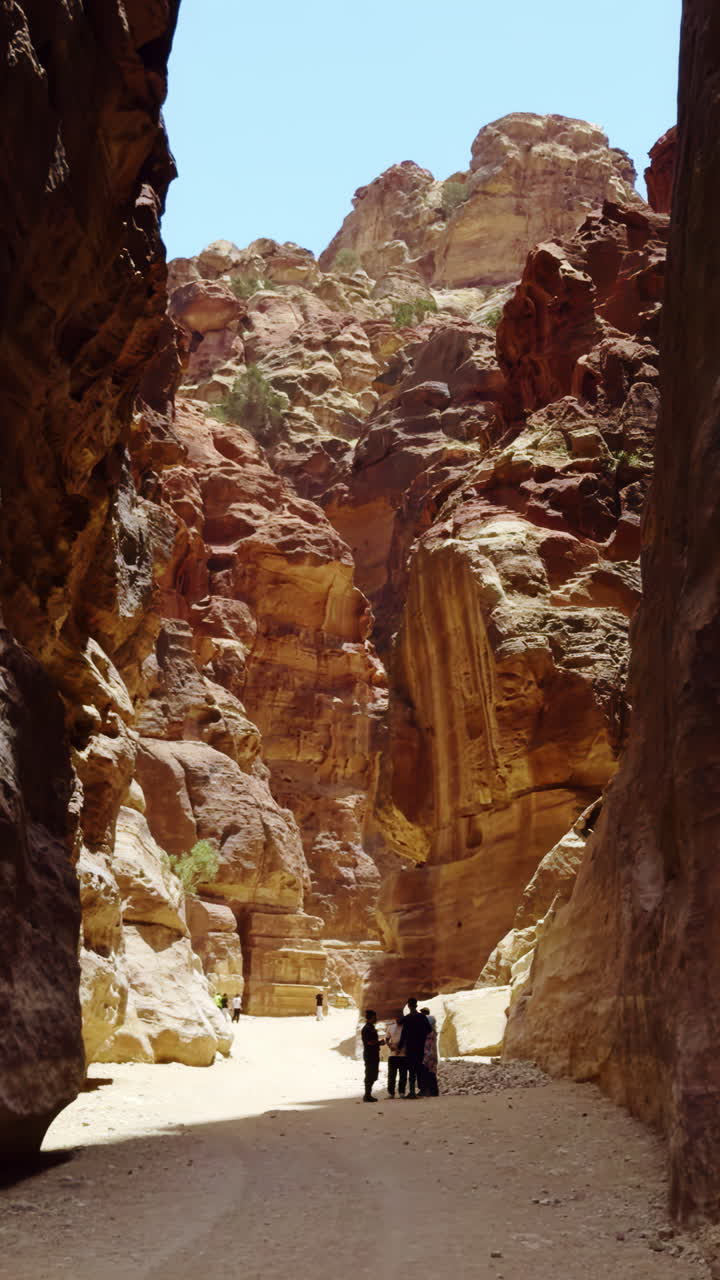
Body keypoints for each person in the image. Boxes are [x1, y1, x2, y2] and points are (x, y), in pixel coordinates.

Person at [398, 997, 430, 1098]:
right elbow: (429, 1029)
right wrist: (421, 1036)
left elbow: (403, 1032)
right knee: (419, 1068)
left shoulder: (407, 1018)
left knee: (411, 1070)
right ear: (416, 1005)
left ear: (408, 1006)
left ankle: (412, 1092)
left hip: (410, 1047)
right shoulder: (422, 1017)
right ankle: (423, 1090)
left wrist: (400, 1046)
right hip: (420, 1046)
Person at [384, 1009, 407, 1099]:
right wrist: (390, 1046)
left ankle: (401, 1092)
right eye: (397, 1017)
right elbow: (386, 1039)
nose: (399, 1019)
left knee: (403, 1075)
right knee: (391, 1075)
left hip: (403, 1055)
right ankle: (391, 1093)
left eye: (400, 1017)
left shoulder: (406, 1027)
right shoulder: (391, 1027)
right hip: (393, 1055)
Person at [361, 1009, 382, 1102]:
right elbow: (369, 1042)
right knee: (370, 1074)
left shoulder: (371, 1027)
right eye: (374, 1017)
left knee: (373, 1074)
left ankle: (368, 1094)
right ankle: (367, 1095)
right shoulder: (367, 1029)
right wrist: (379, 1042)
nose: (376, 1019)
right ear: (370, 1018)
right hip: (370, 1055)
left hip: (373, 1054)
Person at [420, 1007, 440, 1096]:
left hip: (428, 1052)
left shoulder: (428, 1021)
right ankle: (433, 1091)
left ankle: (428, 1091)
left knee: (427, 1072)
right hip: (431, 1052)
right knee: (431, 1072)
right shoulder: (431, 1026)